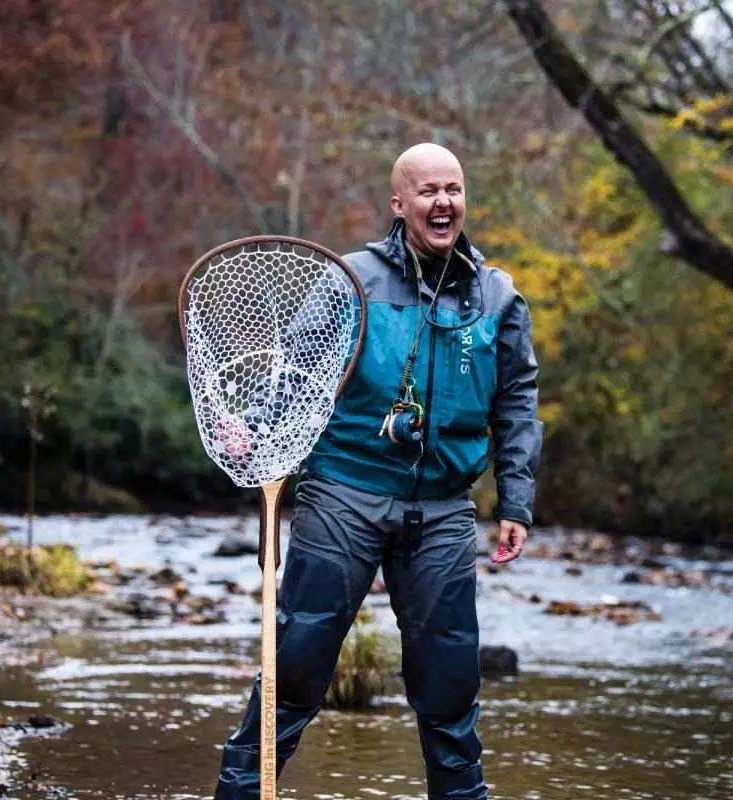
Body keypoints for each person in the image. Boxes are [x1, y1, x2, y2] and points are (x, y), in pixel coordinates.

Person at [213, 143, 543, 800]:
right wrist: (252, 425)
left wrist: (517, 501)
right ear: (399, 203)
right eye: (428, 191)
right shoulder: (352, 280)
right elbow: (297, 371)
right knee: (297, 668)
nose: (443, 202)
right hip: (344, 494)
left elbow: (516, 398)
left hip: (446, 508)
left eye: (453, 189)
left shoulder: (497, 296)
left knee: (450, 687)